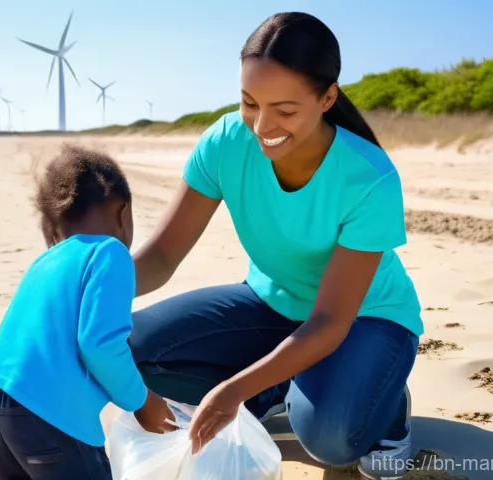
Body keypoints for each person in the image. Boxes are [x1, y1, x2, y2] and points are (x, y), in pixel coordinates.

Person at [128, 11, 423, 480]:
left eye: (284, 110)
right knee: (126, 349)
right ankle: (273, 388)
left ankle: (387, 408)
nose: (262, 125)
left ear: (328, 98)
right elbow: (161, 257)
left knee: (329, 437)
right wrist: (87, 290)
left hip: (364, 319)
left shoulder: (369, 177)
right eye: (249, 103)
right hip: (271, 302)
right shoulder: (225, 142)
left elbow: (329, 321)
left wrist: (232, 391)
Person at [0, 144, 176, 480]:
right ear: (123, 213)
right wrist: (143, 401)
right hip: (48, 418)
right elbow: (100, 344)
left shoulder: (43, 264)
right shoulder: (109, 251)